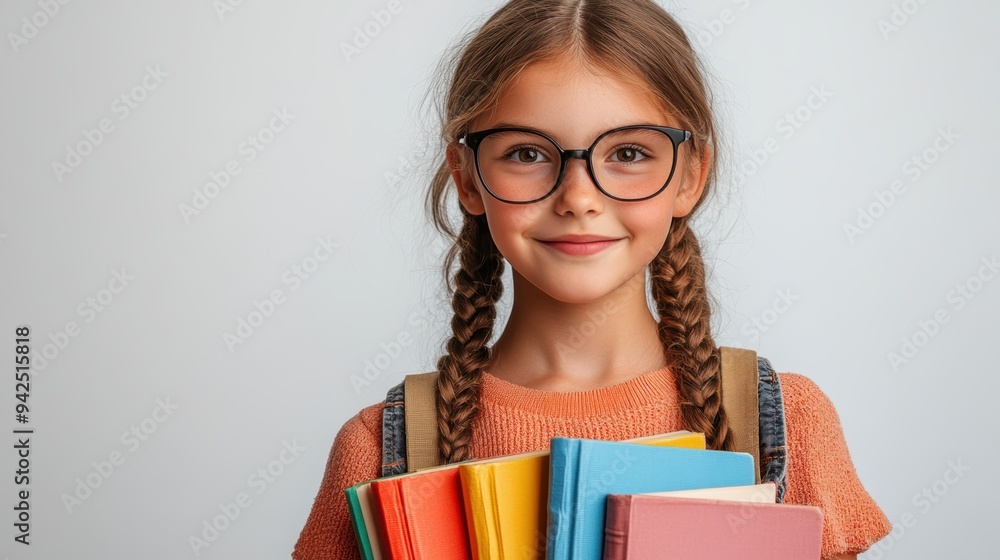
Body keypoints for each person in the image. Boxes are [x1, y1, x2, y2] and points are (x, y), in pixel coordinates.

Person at [293, 1, 892, 558]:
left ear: (690, 175)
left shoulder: (791, 422)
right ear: (468, 178)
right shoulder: (375, 448)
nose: (578, 197)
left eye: (628, 153)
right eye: (528, 153)